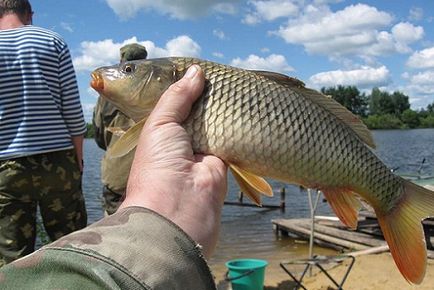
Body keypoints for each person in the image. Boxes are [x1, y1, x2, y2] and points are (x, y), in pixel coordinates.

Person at [0, 65, 228, 289]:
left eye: (128, 70)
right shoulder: (51, 43)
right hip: (65, 167)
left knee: (14, 245)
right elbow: (73, 115)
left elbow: (97, 133)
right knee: (68, 232)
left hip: (10, 165)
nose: (114, 73)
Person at [0, 0, 87, 266]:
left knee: (12, 260)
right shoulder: (52, 40)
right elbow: (72, 108)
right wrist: (78, 158)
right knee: (74, 247)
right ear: (29, 14)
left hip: (6, 166)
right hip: (58, 161)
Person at [93, 43, 147, 215]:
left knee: (113, 231)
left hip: (116, 177)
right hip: (150, 176)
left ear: (121, 60)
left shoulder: (106, 94)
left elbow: (99, 136)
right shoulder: (159, 88)